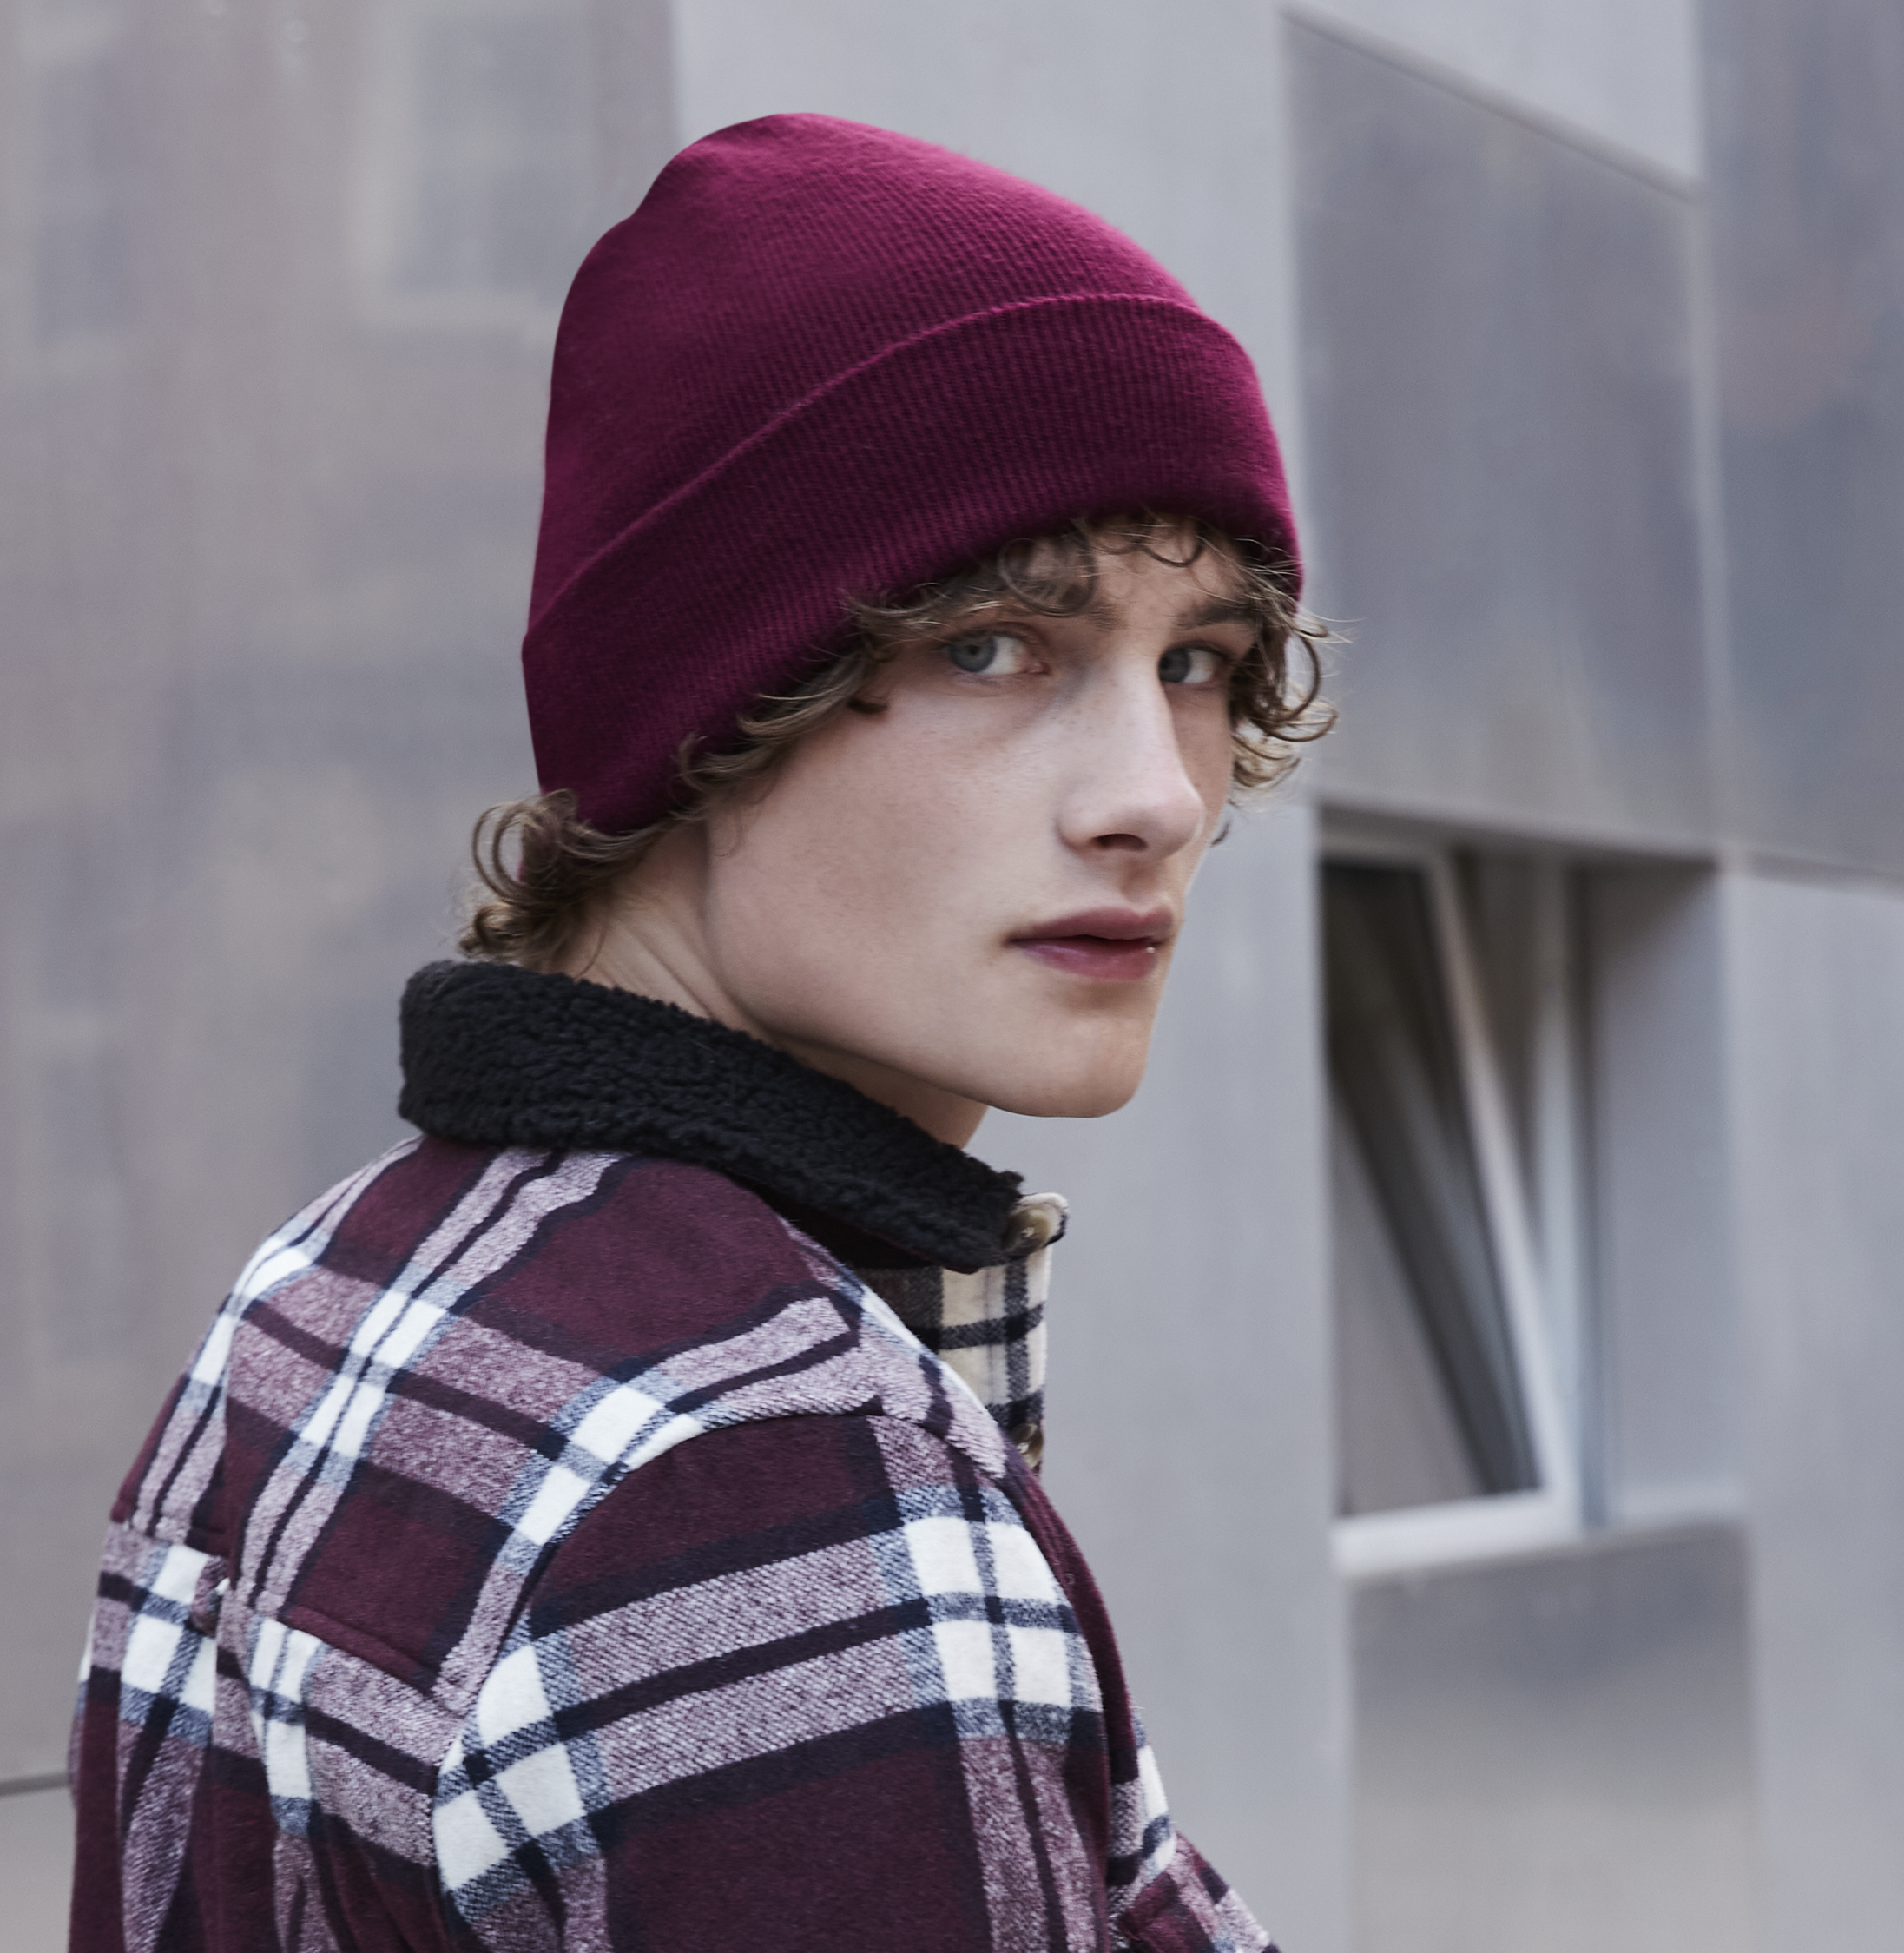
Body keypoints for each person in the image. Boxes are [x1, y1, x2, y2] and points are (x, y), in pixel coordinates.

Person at [69, 114, 1327, 1952]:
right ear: (709, 698)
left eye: (1198, 660)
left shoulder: (338, 1274)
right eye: (993, 644)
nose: (1157, 795)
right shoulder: (766, 1466)